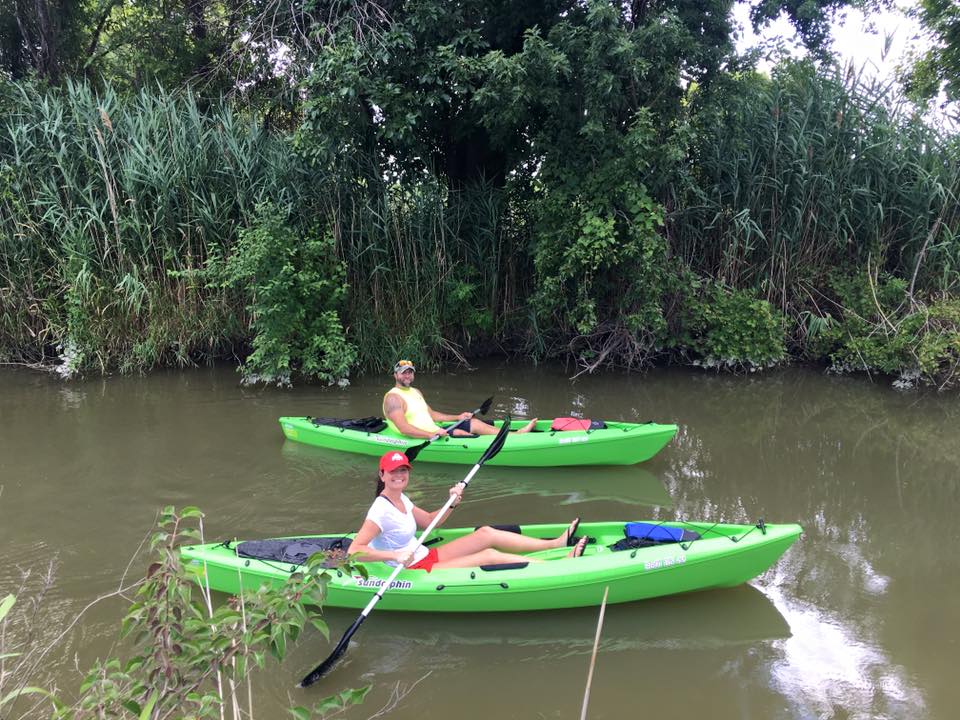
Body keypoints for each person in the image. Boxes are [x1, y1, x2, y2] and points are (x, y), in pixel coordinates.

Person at [346, 451, 588, 571]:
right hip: (413, 569)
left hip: (424, 555)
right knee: (489, 555)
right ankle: (557, 567)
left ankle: (555, 545)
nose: (399, 475)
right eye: (393, 471)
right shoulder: (380, 509)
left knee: (486, 534)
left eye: (403, 471)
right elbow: (354, 551)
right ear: (382, 475)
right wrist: (395, 556)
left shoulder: (402, 498)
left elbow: (432, 521)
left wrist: (452, 501)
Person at [383, 359, 537, 438]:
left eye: (410, 372)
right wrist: (431, 434)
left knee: (473, 422)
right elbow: (404, 428)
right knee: (464, 432)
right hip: (425, 436)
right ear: (395, 375)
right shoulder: (393, 398)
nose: (407, 375)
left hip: (436, 430)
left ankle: (515, 434)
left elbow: (432, 415)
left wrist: (458, 417)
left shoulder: (415, 391)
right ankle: (515, 436)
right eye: (403, 372)